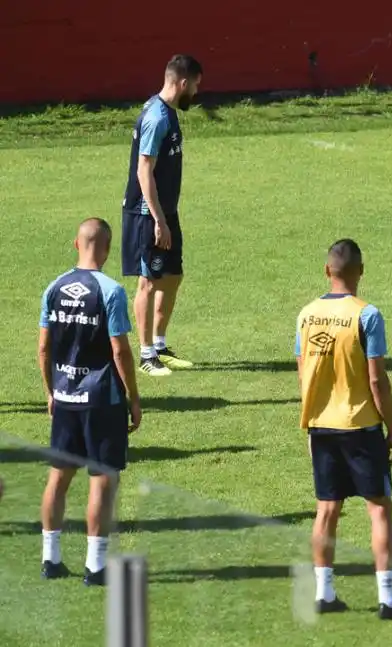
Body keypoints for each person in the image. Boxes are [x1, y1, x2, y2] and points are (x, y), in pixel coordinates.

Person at [294, 239, 392, 619]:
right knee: (379, 511)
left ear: (327, 271)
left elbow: (302, 372)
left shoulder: (306, 315)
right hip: (360, 426)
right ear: (360, 271)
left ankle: (324, 594)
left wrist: (312, 418)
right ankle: (388, 601)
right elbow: (377, 380)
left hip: (321, 425)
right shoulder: (368, 315)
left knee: (326, 510)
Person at [38, 218, 141, 586]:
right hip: (102, 400)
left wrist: (51, 392)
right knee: (101, 481)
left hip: (65, 398)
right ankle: (95, 567)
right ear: (108, 248)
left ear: (75, 244)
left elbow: (44, 347)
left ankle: (50, 559)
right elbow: (120, 350)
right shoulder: (110, 291)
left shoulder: (53, 288)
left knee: (58, 479)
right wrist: (133, 397)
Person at [121, 54, 203, 376]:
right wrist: (157, 219)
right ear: (183, 82)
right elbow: (144, 171)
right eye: (195, 85)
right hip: (147, 213)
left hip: (165, 211)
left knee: (173, 275)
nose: (196, 92)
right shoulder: (157, 117)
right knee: (149, 281)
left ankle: (159, 344)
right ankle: (145, 355)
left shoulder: (165, 111)